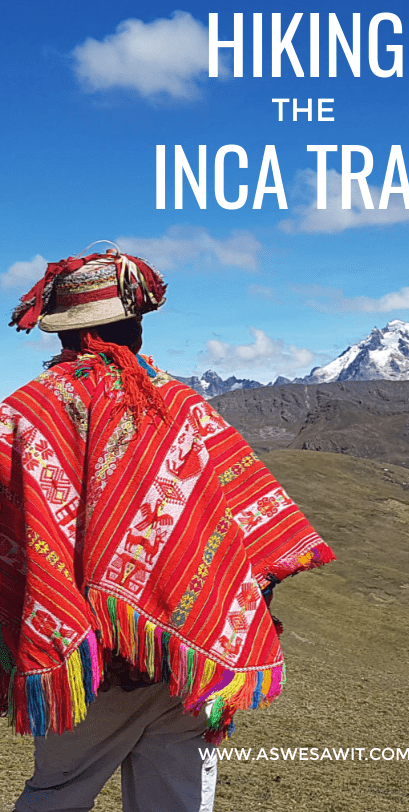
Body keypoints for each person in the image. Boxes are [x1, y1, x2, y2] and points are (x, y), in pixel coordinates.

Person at [0, 244, 335, 812]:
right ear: (133, 325)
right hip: (188, 661)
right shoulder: (185, 408)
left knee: (56, 794)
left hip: (84, 665)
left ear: (63, 332)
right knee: (177, 801)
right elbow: (257, 526)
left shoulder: (23, 416)